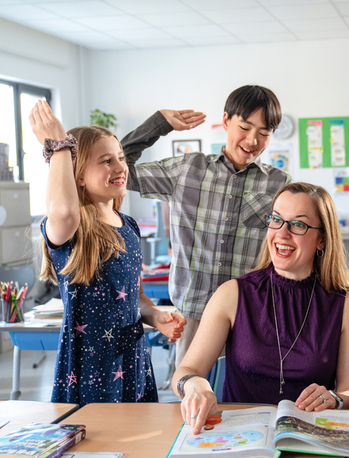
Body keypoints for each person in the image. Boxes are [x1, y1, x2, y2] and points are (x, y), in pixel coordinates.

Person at [120, 85, 291, 366]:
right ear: (226, 121)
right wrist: (158, 124)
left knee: (246, 405)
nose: (252, 140)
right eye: (245, 127)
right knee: (190, 400)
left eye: (264, 133)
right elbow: (120, 169)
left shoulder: (279, 184)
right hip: (193, 315)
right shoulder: (186, 170)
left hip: (251, 317)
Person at [172, 183, 349, 433]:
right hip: (239, 437)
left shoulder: (345, 303)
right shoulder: (232, 294)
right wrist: (194, 384)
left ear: (322, 240)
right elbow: (185, 371)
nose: (282, 234)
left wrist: (336, 399)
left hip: (309, 435)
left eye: (298, 224)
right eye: (276, 219)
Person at [32, 100, 186, 406]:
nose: (120, 168)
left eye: (120, 158)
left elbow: (132, 294)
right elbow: (64, 211)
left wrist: (155, 315)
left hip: (133, 362)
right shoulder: (69, 229)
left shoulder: (128, 225)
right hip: (91, 370)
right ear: (77, 175)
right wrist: (60, 147)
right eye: (106, 161)